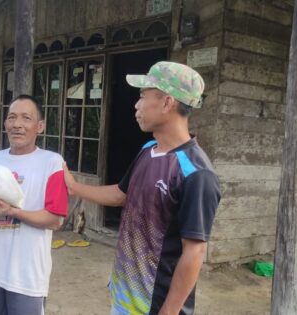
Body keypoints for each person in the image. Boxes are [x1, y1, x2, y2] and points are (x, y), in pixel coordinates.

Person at [64, 62, 221, 315]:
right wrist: (73, 187)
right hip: (125, 295)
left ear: (167, 103)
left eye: (142, 97)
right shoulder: (148, 150)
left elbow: (194, 251)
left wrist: (168, 312)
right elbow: (121, 195)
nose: (136, 106)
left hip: (154, 303)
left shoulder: (196, 173)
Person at [0, 95, 69, 315]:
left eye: (26, 118)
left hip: (27, 276)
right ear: (5, 124)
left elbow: (55, 219)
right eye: (11, 118)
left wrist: (13, 212)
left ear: (39, 126)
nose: (17, 124)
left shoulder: (52, 162)